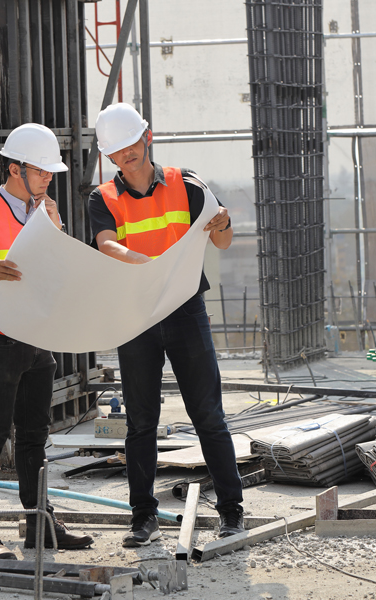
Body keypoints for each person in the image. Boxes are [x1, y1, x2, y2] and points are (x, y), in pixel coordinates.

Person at [89, 103, 244, 548]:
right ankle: (143, 518)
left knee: (208, 417)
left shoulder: (186, 183)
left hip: (186, 311)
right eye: (116, 151)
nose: (125, 155)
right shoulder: (103, 198)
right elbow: (106, 245)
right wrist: (154, 268)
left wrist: (224, 221)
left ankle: (232, 512)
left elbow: (224, 240)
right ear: (110, 157)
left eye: (131, 145)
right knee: (140, 423)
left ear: (147, 137)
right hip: (137, 315)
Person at [0, 123, 94, 559]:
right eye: (41, 171)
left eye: (51, 171)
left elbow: (57, 267)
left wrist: (54, 224)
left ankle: (39, 525)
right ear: (15, 169)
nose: (49, 178)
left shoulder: (42, 212)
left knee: (33, 437)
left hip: (36, 341)